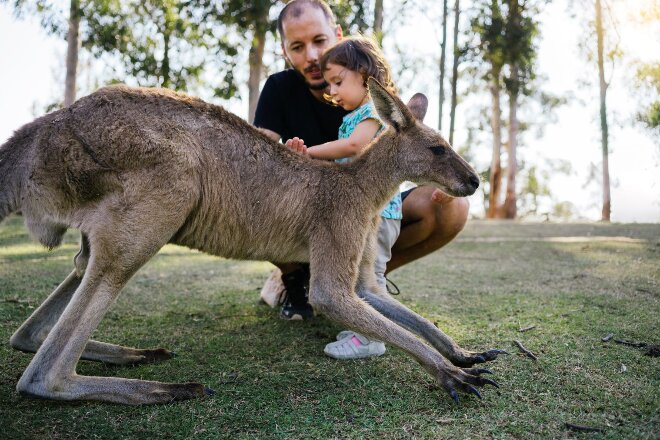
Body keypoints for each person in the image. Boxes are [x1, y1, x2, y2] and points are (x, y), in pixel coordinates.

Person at [253, 0, 470, 342]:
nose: (311, 55)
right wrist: (286, 156)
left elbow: (403, 152)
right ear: (284, 51)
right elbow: (258, 154)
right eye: (297, 46)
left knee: (451, 207)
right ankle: (297, 281)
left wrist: (440, 179)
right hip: (310, 209)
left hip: (365, 205)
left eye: (319, 41)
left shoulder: (367, 94)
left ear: (338, 36)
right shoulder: (280, 88)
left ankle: (360, 287)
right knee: (255, 194)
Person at [282, 35, 399, 359]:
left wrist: (309, 152)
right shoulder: (352, 115)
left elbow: (354, 147)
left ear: (364, 74)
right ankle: (361, 328)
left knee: (370, 276)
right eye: (329, 84)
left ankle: (370, 337)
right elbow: (344, 164)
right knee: (355, 275)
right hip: (354, 211)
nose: (331, 91)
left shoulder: (375, 112)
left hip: (378, 211)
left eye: (337, 81)